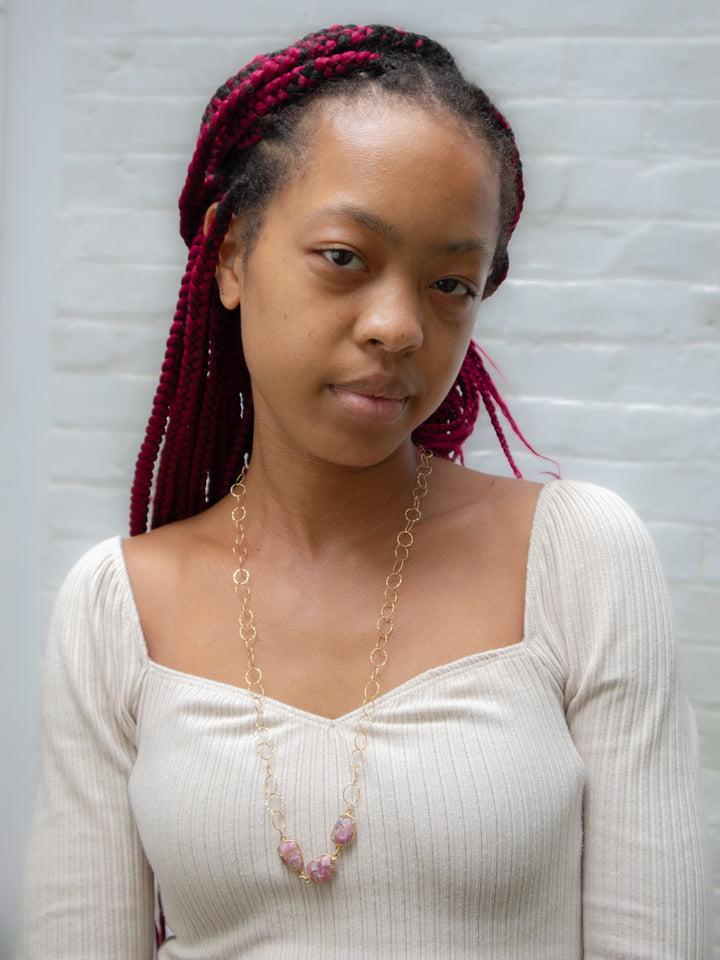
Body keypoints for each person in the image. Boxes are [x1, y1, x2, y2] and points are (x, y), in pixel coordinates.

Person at [19, 24, 708, 959]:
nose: (398, 326)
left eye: (450, 283)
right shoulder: (119, 606)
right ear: (231, 255)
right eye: (344, 257)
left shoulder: (579, 558)